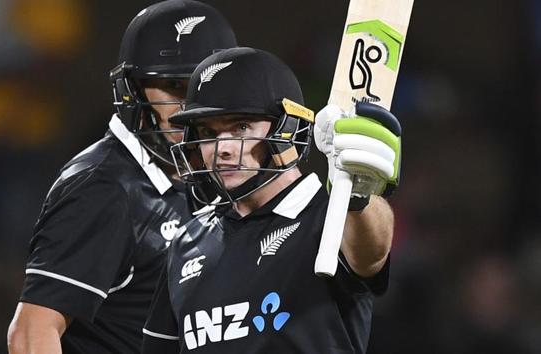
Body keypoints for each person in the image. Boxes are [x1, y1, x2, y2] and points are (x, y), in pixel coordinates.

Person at [7, 1, 237, 353]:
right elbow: (30, 334)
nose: (189, 105)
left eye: (201, 86)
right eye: (174, 85)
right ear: (133, 89)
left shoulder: (207, 174)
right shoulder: (103, 187)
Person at [141, 47, 401, 353]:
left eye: (241, 127)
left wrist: (359, 194)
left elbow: (371, 255)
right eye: (208, 132)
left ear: (287, 128)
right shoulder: (186, 243)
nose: (221, 148)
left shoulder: (331, 216)